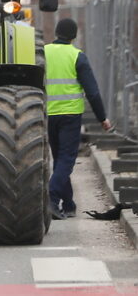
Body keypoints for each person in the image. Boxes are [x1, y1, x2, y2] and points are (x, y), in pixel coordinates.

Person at [44, 18, 113, 220]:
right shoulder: (77, 57)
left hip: (50, 114)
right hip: (71, 116)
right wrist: (103, 118)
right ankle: (52, 198)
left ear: (57, 33)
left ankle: (69, 203)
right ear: (73, 36)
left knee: (59, 160)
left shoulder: (44, 52)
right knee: (66, 160)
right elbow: (92, 92)